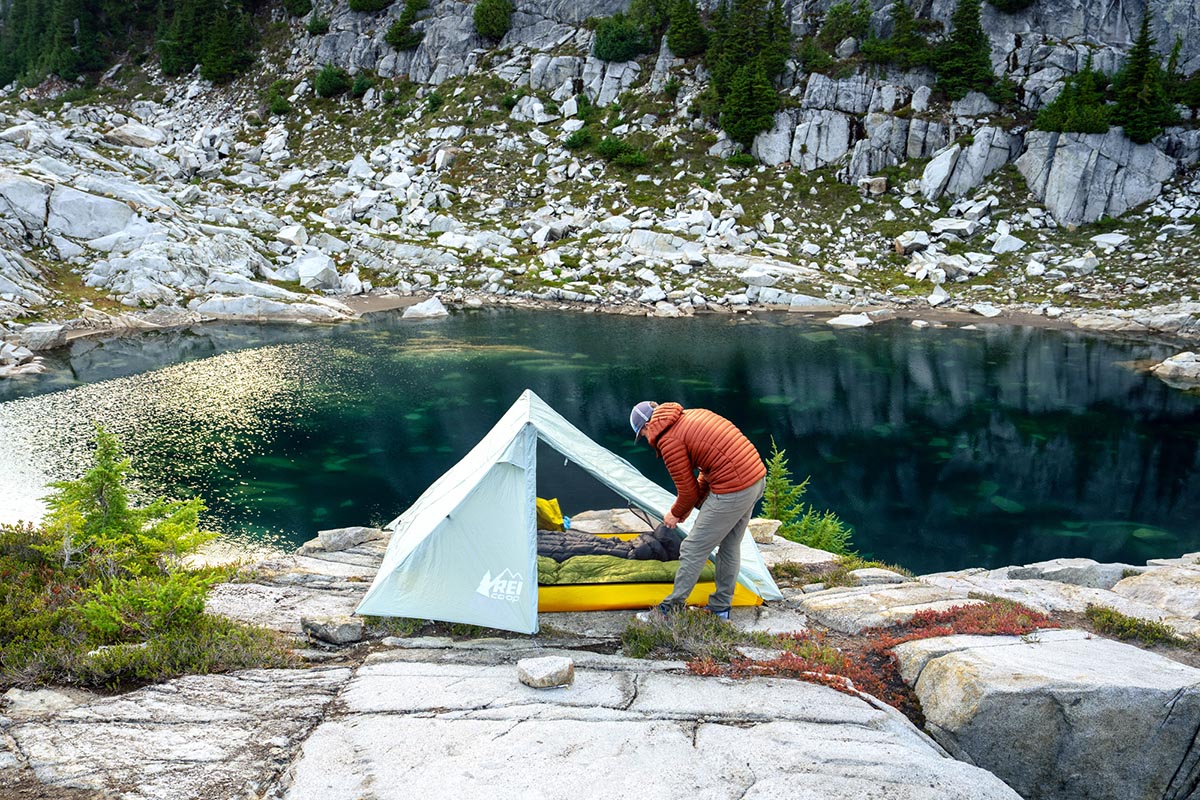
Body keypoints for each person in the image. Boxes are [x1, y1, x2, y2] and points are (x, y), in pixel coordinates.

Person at [629, 400, 766, 622]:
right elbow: (707, 468)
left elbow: (686, 490)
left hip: (733, 488)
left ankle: (670, 610)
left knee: (692, 548)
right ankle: (720, 610)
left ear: (646, 426)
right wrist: (685, 511)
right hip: (755, 479)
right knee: (730, 546)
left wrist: (674, 514)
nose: (645, 439)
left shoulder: (669, 441)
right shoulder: (690, 415)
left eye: (642, 435)